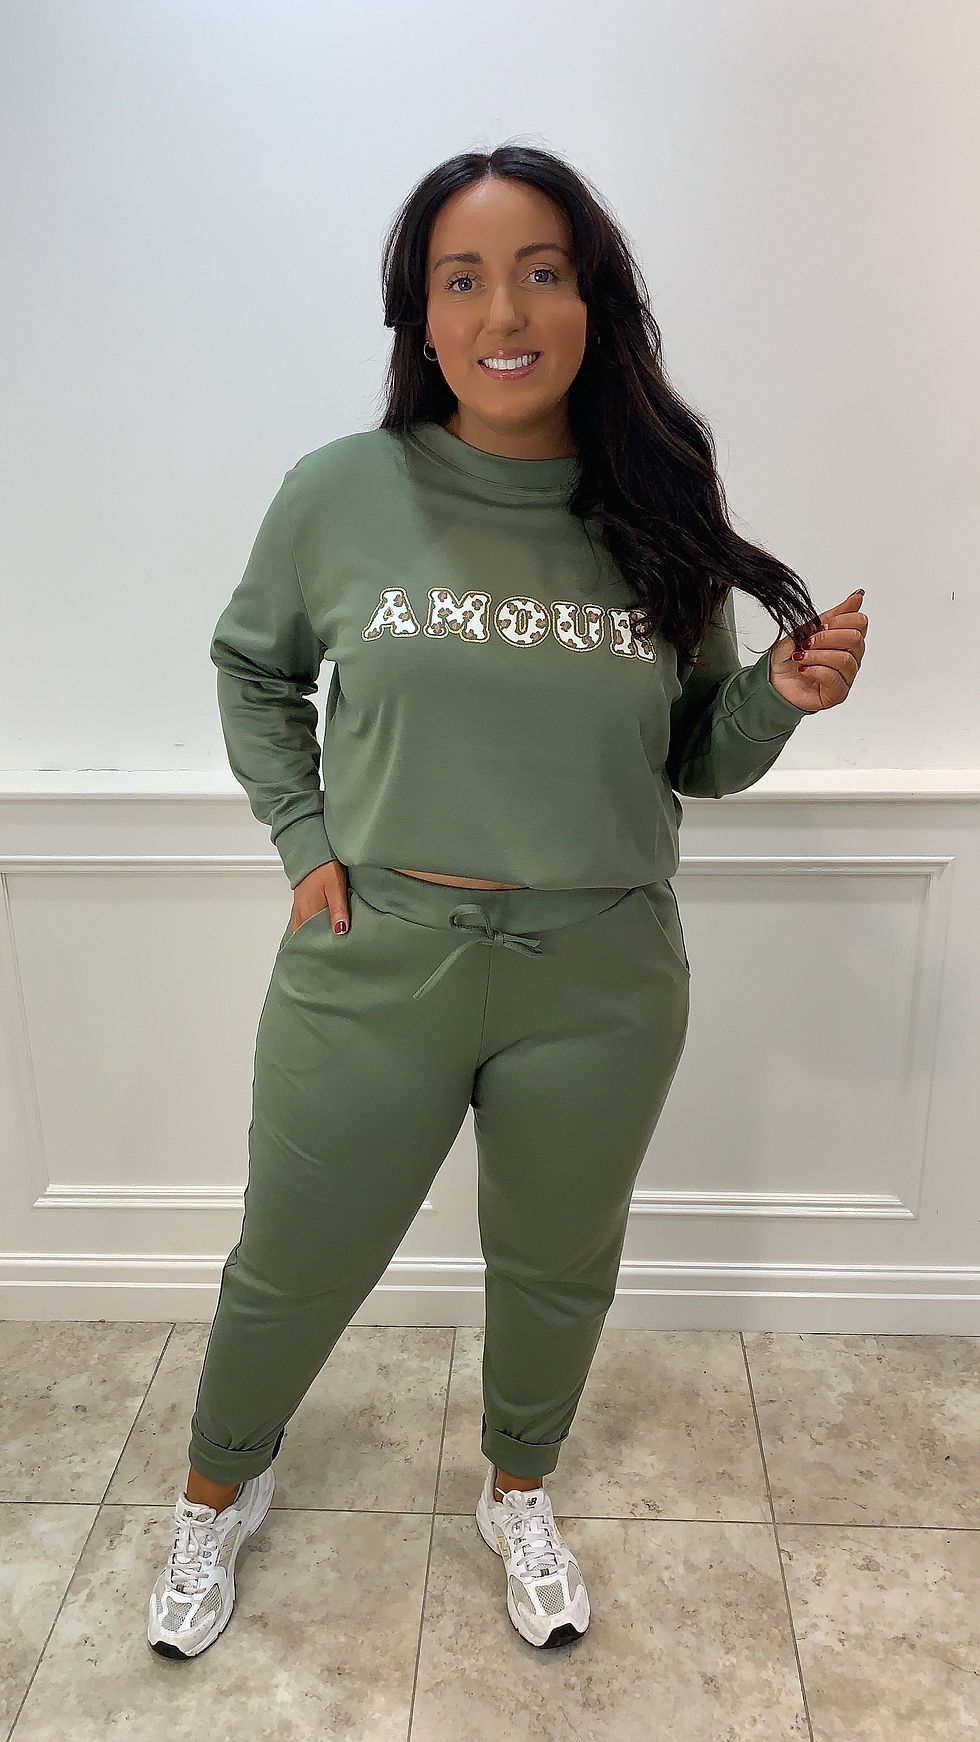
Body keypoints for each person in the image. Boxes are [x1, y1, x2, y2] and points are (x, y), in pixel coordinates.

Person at [147, 143, 868, 1660]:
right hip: (375, 955)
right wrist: (303, 837)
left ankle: (517, 1491)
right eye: (461, 279)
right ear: (420, 317)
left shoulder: (657, 507)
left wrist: (779, 698)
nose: (503, 312)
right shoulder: (342, 493)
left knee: (556, 1265)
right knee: (296, 1257)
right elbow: (252, 667)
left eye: (541, 272)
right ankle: (216, 1491)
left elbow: (695, 754)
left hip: (599, 973)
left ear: (593, 299)